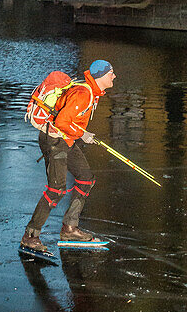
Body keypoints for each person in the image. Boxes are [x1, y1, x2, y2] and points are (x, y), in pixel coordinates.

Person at [20, 59, 116, 255]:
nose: (114, 76)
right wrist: (83, 134)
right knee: (56, 189)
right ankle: (30, 236)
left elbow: (69, 120)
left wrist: (79, 134)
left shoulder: (90, 91)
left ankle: (69, 228)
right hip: (55, 140)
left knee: (85, 179)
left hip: (66, 140)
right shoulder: (84, 93)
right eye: (111, 73)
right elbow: (62, 121)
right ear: (101, 76)